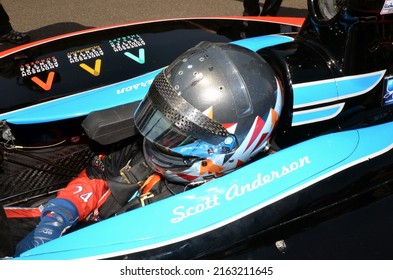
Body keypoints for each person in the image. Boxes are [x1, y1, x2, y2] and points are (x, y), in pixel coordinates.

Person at [15, 41, 283, 256]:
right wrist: (61, 214)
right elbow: (97, 176)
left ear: (227, 150)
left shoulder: (211, 214)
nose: (159, 138)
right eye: (160, 120)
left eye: (178, 136)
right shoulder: (149, 148)